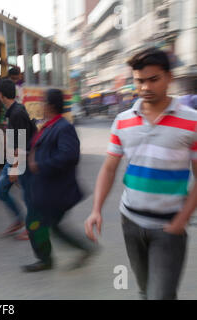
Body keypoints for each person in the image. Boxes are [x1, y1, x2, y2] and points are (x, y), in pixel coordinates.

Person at [85, 48, 197, 300]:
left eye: (153, 79)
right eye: (139, 80)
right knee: (146, 290)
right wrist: (96, 209)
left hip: (169, 227)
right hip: (131, 223)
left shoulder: (192, 121)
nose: (145, 87)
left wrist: (182, 219)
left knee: (161, 295)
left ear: (169, 77)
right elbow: (109, 168)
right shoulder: (123, 121)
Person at [23, 89, 96, 272]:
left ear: (51, 105)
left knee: (36, 224)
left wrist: (40, 164)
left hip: (55, 190)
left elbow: (69, 156)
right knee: (51, 226)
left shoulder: (64, 127)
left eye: (43, 102)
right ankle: (79, 250)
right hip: (44, 188)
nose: (40, 105)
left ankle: (46, 259)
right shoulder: (49, 125)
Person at [0, 79, 36, 239]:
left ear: (0, 95)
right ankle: (19, 220)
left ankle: (32, 228)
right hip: (14, 158)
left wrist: (15, 168)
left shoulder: (17, 113)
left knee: (27, 196)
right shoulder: (12, 111)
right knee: (1, 190)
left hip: (23, 159)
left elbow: (23, 144)